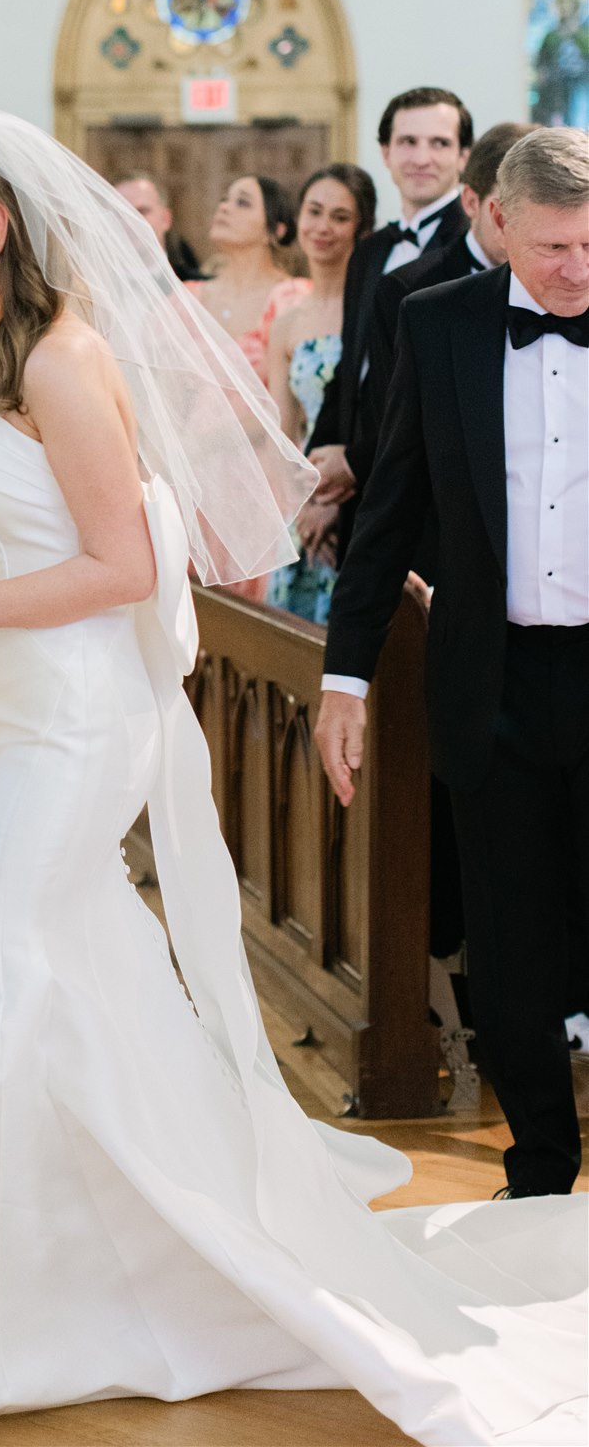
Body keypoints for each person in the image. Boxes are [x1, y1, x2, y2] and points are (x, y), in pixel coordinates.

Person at [0, 111, 585, 1443]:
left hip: (71, 731)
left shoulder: (66, 364)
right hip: (16, 719)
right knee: (82, 999)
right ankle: (102, 1273)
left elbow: (125, 571)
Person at [317, 126, 589, 1204]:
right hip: (496, 686)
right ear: (500, 223)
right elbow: (387, 515)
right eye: (556, 247)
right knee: (511, 948)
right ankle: (535, 1168)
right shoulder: (438, 328)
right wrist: (343, 678)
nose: (576, 269)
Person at [307, 88, 471, 554]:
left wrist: (354, 463)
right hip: (358, 499)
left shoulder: (474, 250)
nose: (422, 157)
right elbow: (350, 368)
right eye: (408, 142)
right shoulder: (370, 250)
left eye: (439, 143)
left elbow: (444, 390)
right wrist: (319, 477)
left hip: (432, 499)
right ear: (385, 151)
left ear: (463, 156)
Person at [359, 120, 530, 460]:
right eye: (509, 211)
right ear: (471, 202)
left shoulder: (571, 288)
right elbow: (388, 429)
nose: (525, 229)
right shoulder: (406, 291)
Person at [265, 164, 376, 622]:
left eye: (339, 216)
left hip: (361, 501)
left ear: (361, 228)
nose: (322, 227)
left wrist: (335, 505)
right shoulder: (289, 321)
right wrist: (306, 507)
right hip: (303, 512)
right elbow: (282, 433)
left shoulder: (377, 308)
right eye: (313, 212)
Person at [187, 174, 309, 385]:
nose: (224, 207)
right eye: (224, 200)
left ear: (276, 231)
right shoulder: (187, 299)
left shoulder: (294, 298)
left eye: (242, 202)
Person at [113, 173, 201, 281]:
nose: (129, 221)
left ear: (165, 219)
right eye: (119, 213)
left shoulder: (196, 288)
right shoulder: (93, 288)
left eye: (141, 211)